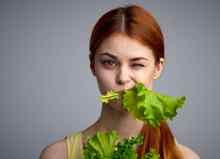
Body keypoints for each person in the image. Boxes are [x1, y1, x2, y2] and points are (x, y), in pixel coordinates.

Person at [39, 4, 200, 159]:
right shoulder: (58, 155)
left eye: (137, 65)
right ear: (93, 66)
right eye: (109, 63)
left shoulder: (185, 158)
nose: (123, 78)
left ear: (158, 68)